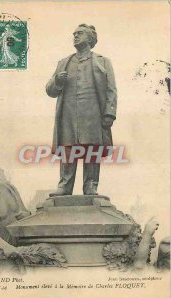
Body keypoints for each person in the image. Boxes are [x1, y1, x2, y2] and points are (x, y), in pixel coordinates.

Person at [46, 24, 117, 196]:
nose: (75, 36)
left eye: (80, 33)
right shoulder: (63, 63)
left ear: (91, 38)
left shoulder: (102, 61)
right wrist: (57, 81)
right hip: (68, 114)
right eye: (74, 33)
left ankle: (91, 185)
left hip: (93, 114)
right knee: (68, 148)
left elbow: (111, 89)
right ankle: (64, 185)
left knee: (91, 148)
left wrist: (109, 113)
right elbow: (50, 91)